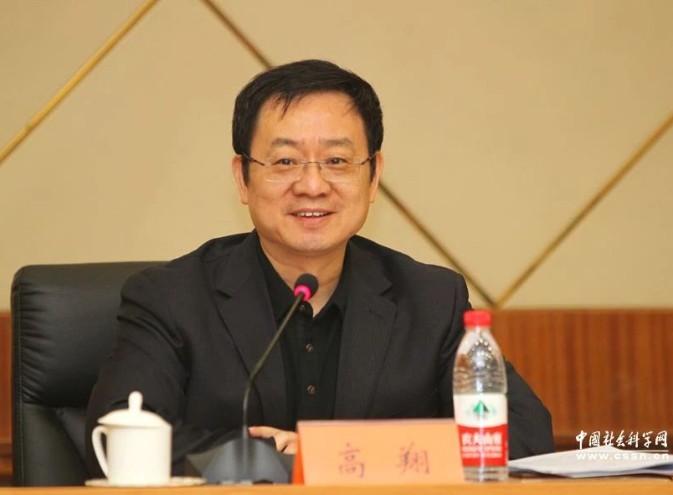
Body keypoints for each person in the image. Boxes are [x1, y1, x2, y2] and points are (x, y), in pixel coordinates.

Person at [85, 59, 554, 476]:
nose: (312, 185)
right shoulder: (170, 298)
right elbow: (115, 444)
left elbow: (524, 435)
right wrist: (271, 458)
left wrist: (330, 455)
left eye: (336, 160)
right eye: (285, 161)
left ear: (373, 176)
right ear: (242, 178)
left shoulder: (431, 300)